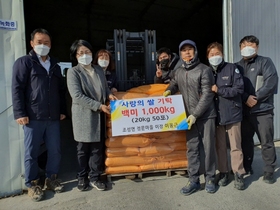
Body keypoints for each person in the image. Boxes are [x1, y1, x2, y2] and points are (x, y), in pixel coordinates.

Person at [12, 28, 66, 202]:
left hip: (52, 116)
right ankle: (32, 183)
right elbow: (17, 89)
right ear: (32, 44)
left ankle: (51, 178)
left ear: (51, 44)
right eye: (39, 42)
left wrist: (63, 110)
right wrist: (20, 112)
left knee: (55, 149)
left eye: (46, 43)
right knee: (31, 152)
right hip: (33, 116)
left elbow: (60, 90)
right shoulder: (24, 63)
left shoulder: (55, 64)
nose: (43, 45)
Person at [163, 40, 217, 195]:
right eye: (184, 50)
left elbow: (207, 94)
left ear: (195, 52)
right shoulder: (179, 71)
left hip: (206, 115)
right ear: (180, 54)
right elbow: (174, 83)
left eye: (190, 49)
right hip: (187, 116)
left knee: (208, 147)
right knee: (192, 148)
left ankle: (210, 178)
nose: (187, 52)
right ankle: (193, 180)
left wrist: (195, 114)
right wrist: (168, 91)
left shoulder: (204, 70)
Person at [67, 40, 117, 192]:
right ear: (75, 56)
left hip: (99, 115)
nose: (85, 55)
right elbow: (77, 96)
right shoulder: (74, 72)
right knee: (83, 148)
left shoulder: (98, 70)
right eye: (81, 53)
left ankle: (94, 177)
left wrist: (109, 95)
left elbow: (105, 88)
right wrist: (99, 106)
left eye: (87, 52)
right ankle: (82, 177)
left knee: (97, 147)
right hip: (84, 115)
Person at [236, 35, 278, 184]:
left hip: (263, 110)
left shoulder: (265, 62)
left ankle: (269, 170)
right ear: (240, 47)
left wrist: (255, 98)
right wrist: (245, 98)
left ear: (257, 47)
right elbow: (235, 87)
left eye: (252, 45)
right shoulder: (236, 67)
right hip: (244, 112)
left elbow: (271, 83)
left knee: (266, 141)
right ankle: (247, 166)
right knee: (246, 142)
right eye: (245, 45)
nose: (248, 48)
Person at [206, 42, 245, 190]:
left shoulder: (232, 68)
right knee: (220, 146)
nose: (214, 57)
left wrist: (220, 90)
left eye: (217, 54)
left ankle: (238, 173)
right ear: (207, 57)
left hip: (233, 113)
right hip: (216, 115)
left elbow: (239, 89)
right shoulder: (207, 71)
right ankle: (223, 172)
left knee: (235, 146)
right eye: (211, 55)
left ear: (222, 54)